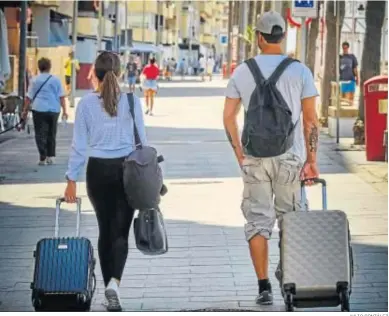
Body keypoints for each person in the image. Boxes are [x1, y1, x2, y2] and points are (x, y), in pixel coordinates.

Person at [223, 11, 319, 305]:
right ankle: (289, 277)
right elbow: (311, 121)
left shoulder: (242, 71)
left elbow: (228, 118)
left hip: (254, 157)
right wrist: (311, 160)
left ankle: (264, 286)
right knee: (290, 219)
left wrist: (240, 153)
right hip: (291, 157)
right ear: (282, 36)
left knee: (257, 221)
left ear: (260, 38)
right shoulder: (300, 71)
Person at [63, 51, 147, 312]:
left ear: (95, 75)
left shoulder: (86, 104)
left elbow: (79, 145)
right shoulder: (132, 102)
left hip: (97, 171)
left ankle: (109, 282)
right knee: (120, 231)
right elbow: (142, 143)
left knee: (104, 229)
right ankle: (115, 284)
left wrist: (71, 179)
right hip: (126, 170)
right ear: (120, 73)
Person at [21, 57, 67, 165]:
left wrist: (24, 111)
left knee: (40, 133)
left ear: (39, 67)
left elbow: (29, 97)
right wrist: (65, 110)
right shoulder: (56, 80)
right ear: (49, 67)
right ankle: (50, 157)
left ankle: (42, 155)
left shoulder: (34, 80)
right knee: (51, 133)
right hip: (53, 109)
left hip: (39, 109)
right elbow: (61, 97)